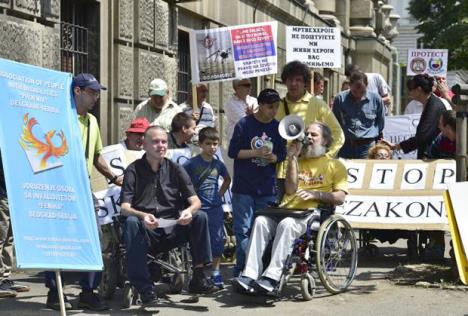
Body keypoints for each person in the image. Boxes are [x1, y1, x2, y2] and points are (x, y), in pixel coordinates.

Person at [233, 122, 348, 293]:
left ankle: (272, 277)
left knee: (287, 224)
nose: (308, 137)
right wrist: (293, 157)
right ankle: (249, 274)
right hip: (288, 210)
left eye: (314, 135)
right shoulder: (297, 161)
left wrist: (316, 194)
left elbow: (340, 197)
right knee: (261, 221)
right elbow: (290, 190)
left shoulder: (335, 165)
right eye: (307, 134)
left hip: (313, 214)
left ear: (325, 140)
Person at [44, 73, 123, 311]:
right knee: (57, 239)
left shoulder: (92, 122)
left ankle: (88, 292)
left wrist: (114, 177)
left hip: (83, 186)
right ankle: (54, 292)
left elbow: (97, 155)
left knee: (93, 238)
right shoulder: (59, 118)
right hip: (60, 185)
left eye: (98, 93)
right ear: (77, 91)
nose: (96, 97)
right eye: (92, 92)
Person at [120, 126, 215, 305]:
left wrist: (189, 211)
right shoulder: (133, 170)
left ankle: (200, 276)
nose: (161, 145)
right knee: (131, 221)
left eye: (164, 141)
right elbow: (125, 207)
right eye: (155, 142)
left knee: (200, 216)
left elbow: (196, 202)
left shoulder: (176, 168)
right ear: (144, 145)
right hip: (146, 230)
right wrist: (142, 216)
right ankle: (145, 288)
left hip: (172, 228)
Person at [228, 89, 287, 277]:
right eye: (270, 107)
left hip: (267, 187)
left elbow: (282, 153)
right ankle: (243, 269)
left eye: (277, 107)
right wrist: (255, 153)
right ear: (260, 105)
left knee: (264, 230)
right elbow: (233, 152)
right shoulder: (244, 124)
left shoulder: (278, 127)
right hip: (244, 186)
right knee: (243, 230)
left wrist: (274, 157)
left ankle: (261, 268)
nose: (274, 111)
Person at [183, 127, 231, 288]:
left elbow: (227, 179)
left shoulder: (218, 164)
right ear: (200, 144)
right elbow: (182, 181)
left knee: (218, 240)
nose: (212, 147)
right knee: (201, 241)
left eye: (215, 144)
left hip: (215, 208)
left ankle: (216, 272)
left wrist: (220, 194)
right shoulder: (191, 163)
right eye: (208, 143)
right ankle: (201, 273)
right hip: (199, 210)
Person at [275, 61, 344, 158]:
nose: (293, 83)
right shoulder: (276, 105)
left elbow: (338, 134)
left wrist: (326, 156)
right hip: (280, 166)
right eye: (290, 79)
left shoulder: (318, 105)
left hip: (307, 168)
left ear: (305, 83)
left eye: (298, 80)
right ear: (285, 82)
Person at [381, 74, 446, 159]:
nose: (409, 92)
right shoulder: (430, 103)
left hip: (433, 156)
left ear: (419, 90)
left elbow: (422, 137)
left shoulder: (434, 106)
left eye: (411, 89)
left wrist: (397, 146)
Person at [332, 71, 385, 159]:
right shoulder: (340, 99)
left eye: (362, 91)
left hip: (367, 147)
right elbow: (335, 122)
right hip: (346, 146)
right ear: (350, 85)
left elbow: (380, 123)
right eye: (355, 91)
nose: (358, 95)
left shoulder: (376, 99)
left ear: (367, 85)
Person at [0, 153, 30, 298]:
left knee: (9, 238)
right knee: (1, 236)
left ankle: (4, 278)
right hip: (2, 193)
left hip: (13, 192)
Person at [224, 78, 258, 143]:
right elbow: (242, 122)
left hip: (252, 140)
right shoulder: (230, 103)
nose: (250, 87)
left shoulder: (254, 100)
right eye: (247, 85)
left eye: (250, 85)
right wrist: (252, 116)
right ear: (237, 87)